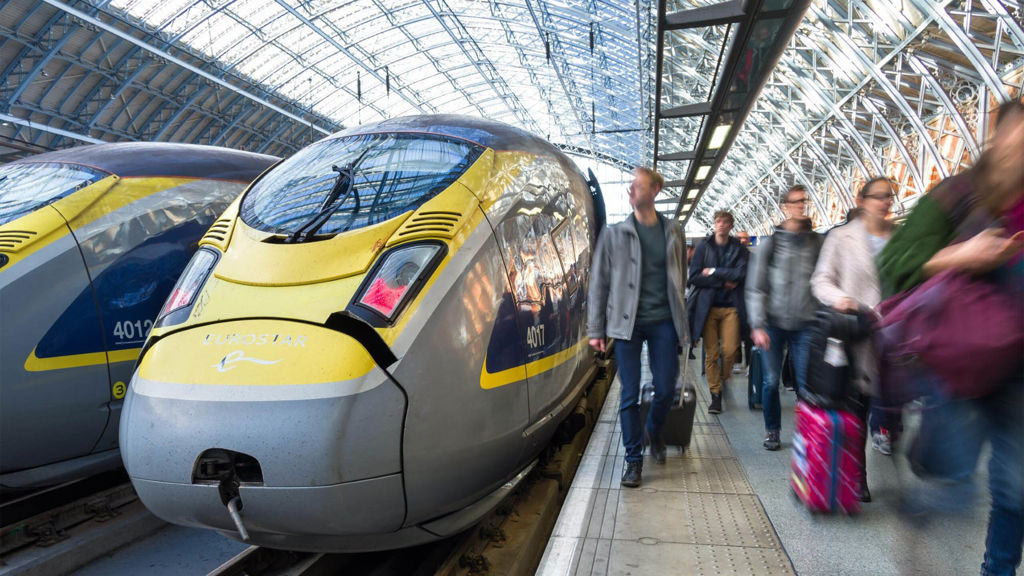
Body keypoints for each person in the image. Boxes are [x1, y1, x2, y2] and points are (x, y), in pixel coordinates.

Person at [878, 98, 1024, 576]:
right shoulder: (957, 194)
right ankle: (919, 507)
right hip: (961, 364)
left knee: (1016, 487)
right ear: (999, 136)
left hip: (1018, 368)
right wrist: (962, 254)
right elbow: (894, 264)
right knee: (956, 485)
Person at [587, 167, 689, 488]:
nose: (630, 190)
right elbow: (598, 284)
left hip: (663, 323)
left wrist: (683, 324)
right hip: (625, 325)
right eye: (631, 186)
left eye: (638, 185)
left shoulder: (674, 231)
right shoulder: (614, 234)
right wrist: (595, 330)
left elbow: (680, 280)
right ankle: (633, 460)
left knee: (666, 388)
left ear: (655, 190)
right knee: (629, 395)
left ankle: (654, 431)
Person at [810, 176, 896, 502]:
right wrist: (839, 299)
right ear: (863, 200)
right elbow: (821, 280)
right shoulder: (841, 237)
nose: (886, 202)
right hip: (854, 333)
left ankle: (886, 444)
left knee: (887, 406)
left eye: (889, 196)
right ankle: (857, 475)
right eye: (879, 196)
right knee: (859, 407)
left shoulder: (897, 238)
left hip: (893, 335)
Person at [746, 184, 823, 450]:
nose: (801, 205)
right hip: (772, 324)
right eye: (796, 201)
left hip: (806, 323)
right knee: (770, 381)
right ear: (785, 207)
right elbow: (756, 286)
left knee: (806, 384)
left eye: (804, 200)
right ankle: (772, 430)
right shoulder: (770, 244)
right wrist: (757, 324)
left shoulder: (817, 242)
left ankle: (807, 431)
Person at [687, 211, 748, 414]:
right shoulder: (704, 247)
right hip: (709, 308)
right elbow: (694, 276)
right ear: (714, 224)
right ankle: (715, 395)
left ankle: (723, 376)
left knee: (730, 350)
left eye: (725, 222)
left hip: (731, 307)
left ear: (731, 225)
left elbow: (741, 273)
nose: (720, 225)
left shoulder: (738, 248)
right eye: (717, 222)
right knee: (711, 354)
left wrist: (713, 271)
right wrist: (723, 280)